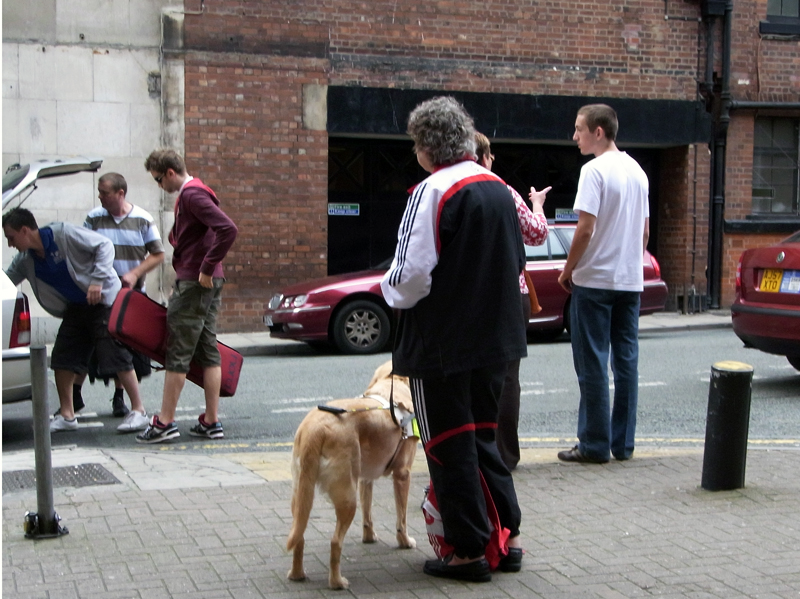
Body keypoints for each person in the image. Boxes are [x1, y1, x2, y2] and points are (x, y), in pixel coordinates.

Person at [380, 97, 525, 583]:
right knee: (484, 438)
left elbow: (411, 276)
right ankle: (508, 536)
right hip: (498, 337)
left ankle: (466, 551)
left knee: (447, 445)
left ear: (426, 147)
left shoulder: (430, 190)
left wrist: (386, 290)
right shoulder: (498, 188)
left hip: (442, 343)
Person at [556, 104, 649, 464]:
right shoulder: (638, 172)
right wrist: (628, 263)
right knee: (626, 362)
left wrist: (568, 270)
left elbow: (585, 228)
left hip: (594, 282)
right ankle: (622, 445)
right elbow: (644, 232)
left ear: (598, 131)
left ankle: (594, 445)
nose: (575, 136)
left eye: (579, 129)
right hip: (630, 282)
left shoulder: (593, 171)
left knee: (593, 362)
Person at [2, 207, 145, 433]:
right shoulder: (24, 260)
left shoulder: (64, 234)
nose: (10, 244)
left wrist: (97, 280)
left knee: (115, 354)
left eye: (11, 237)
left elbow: (104, 246)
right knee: (62, 358)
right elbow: (5, 282)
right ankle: (67, 415)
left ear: (24, 230)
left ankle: (139, 411)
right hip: (76, 307)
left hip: (103, 301)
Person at [136, 149, 238, 444]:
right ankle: (211, 421)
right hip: (205, 280)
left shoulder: (192, 194)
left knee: (177, 352)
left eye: (158, 179)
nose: (159, 186)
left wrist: (204, 269)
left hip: (196, 281)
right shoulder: (195, 192)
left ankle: (164, 423)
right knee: (207, 350)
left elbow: (227, 229)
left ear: (170, 172)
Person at [474, 132, 550, 471]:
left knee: (473, 374)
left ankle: (474, 452)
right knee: (507, 378)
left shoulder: (446, 189)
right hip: (510, 294)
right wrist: (537, 205)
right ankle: (504, 457)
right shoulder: (502, 190)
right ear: (485, 157)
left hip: (471, 297)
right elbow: (536, 233)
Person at [71, 172, 165, 432]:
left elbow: (158, 254)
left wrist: (135, 273)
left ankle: (120, 398)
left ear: (120, 193)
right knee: (90, 343)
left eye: (104, 192)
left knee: (122, 347)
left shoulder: (142, 219)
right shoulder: (93, 218)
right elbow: (82, 250)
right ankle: (76, 396)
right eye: (100, 192)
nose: (99, 196)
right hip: (99, 295)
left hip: (129, 298)